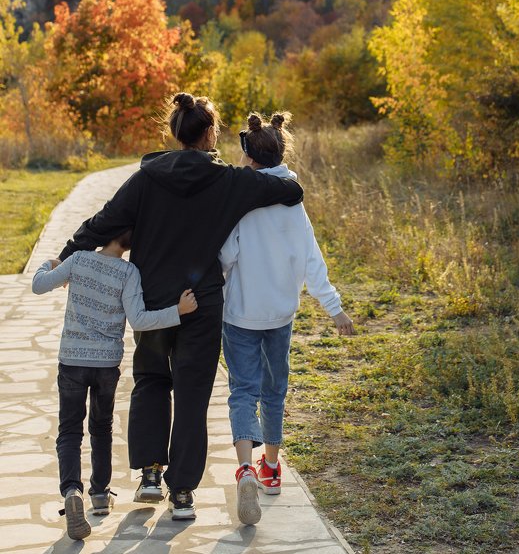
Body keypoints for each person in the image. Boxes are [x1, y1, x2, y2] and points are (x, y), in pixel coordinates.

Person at [56, 91, 304, 521]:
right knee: (192, 394)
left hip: (150, 299)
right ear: (210, 133)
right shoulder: (229, 181)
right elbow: (292, 190)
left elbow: (105, 221)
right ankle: (183, 494)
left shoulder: (146, 178)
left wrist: (67, 253)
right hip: (202, 302)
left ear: (174, 132)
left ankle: (150, 474)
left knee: (152, 380)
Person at [220, 111, 354, 526]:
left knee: (243, 389)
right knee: (275, 388)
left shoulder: (243, 205)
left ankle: (244, 468)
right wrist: (334, 308)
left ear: (249, 158)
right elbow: (312, 261)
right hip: (280, 314)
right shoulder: (294, 206)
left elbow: (226, 257)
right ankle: (272, 468)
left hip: (241, 313)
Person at [32, 229, 198, 541]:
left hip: (71, 361)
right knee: (101, 428)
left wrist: (50, 262)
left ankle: (71, 491)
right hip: (106, 365)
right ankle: (99, 493)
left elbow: (38, 285)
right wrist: (178, 311)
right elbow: (140, 321)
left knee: (69, 431)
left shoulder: (78, 260)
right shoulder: (128, 271)